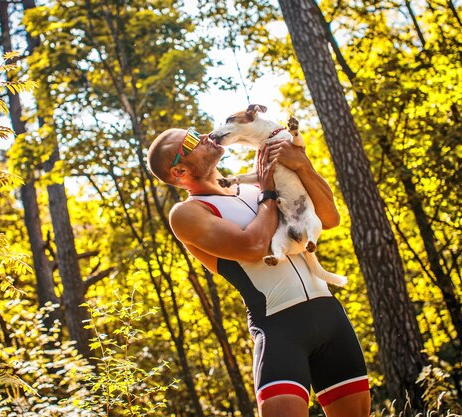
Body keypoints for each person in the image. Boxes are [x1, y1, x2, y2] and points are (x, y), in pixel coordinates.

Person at [147, 127, 370, 417]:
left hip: (332, 317)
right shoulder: (187, 213)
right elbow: (253, 246)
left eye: (195, 132)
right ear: (179, 171)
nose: (203, 136)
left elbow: (329, 218)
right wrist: (269, 192)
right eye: (190, 141)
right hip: (280, 328)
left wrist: (302, 165)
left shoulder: (254, 186)